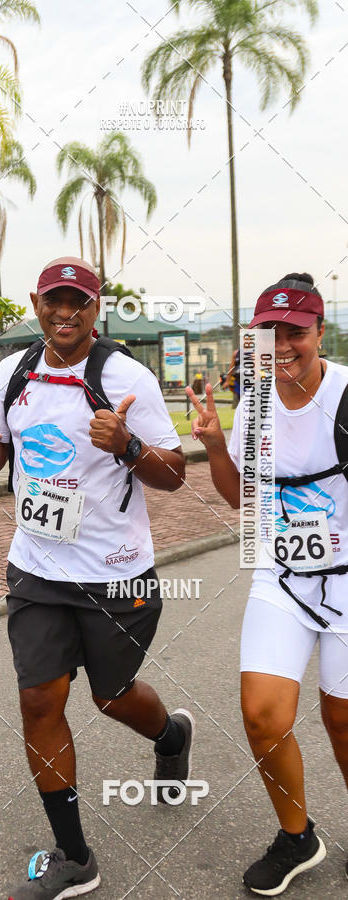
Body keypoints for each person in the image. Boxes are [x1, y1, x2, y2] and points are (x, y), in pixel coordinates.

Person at [0, 256, 195, 899]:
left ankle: (171, 733)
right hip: (37, 567)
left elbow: (175, 474)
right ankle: (74, 857)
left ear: (96, 309)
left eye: (78, 301)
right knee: (40, 699)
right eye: (53, 300)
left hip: (115, 576)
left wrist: (126, 446)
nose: (64, 312)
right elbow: (0, 458)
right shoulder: (12, 374)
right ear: (35, 304)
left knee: (111, 696)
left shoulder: (127, 377)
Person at [187, 273, 348, 895]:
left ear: (318, 331)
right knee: (262, 714)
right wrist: (217, 448)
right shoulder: (254, 397)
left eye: (295, 331)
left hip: (345, 584)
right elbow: (242, 503)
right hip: (282, 576)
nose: (282, 344)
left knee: (341, 718)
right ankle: (296, 836)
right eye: (269, 331)